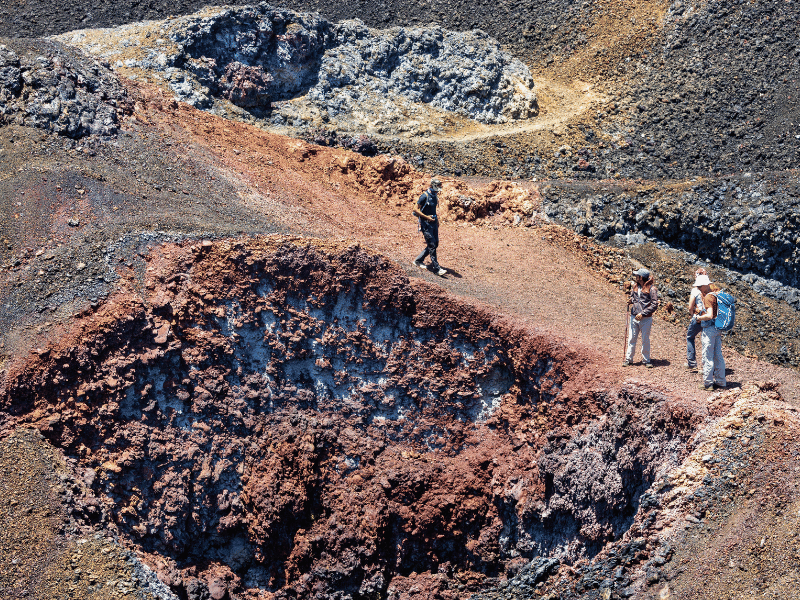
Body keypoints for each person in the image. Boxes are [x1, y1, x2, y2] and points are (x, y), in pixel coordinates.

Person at [623, 267, 659, 368]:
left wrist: (643, 313)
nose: (635, 276)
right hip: (634, 316)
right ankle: (628, 359)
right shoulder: (635, 286)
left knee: (645, 339)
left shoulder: (652, 289)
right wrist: (631, 301)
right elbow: (634, 298)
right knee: (631, 338)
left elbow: (654, 304)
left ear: (641, 277)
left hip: (645, 318)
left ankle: (646, 360)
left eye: (637, 275)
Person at [696, 274, 727, 391]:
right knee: (718, 355)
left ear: (705, 285)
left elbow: (709, 315)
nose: (698, 288)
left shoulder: (709, 297)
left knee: (707, 356)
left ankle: (708, 383)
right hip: (718, 328)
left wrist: (698, 318)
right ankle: (721, 381)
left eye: (700, 286)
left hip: (709, 329)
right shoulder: (716, 294)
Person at [412, 177, 447, 277]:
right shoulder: (424, 196)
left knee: (435, 243)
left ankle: (418, 260)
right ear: (432, 186)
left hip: (433, 223)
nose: (438, 191)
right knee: (431, 245)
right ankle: (437, 269)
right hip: (426, 224)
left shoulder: (435, 196)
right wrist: (426, 217)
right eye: (437, 188)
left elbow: (433, 210)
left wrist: (437, 221)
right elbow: (415, 209)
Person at [685, 268, 707, 372]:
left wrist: (693, 314)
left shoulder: (695, 290)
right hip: (709, 318)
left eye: (696, 274)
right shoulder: (710, 288)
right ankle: (706, 367)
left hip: (698, 318)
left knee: (690, 337)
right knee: (707, 341)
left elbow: (690, 306)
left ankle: (692, 363)